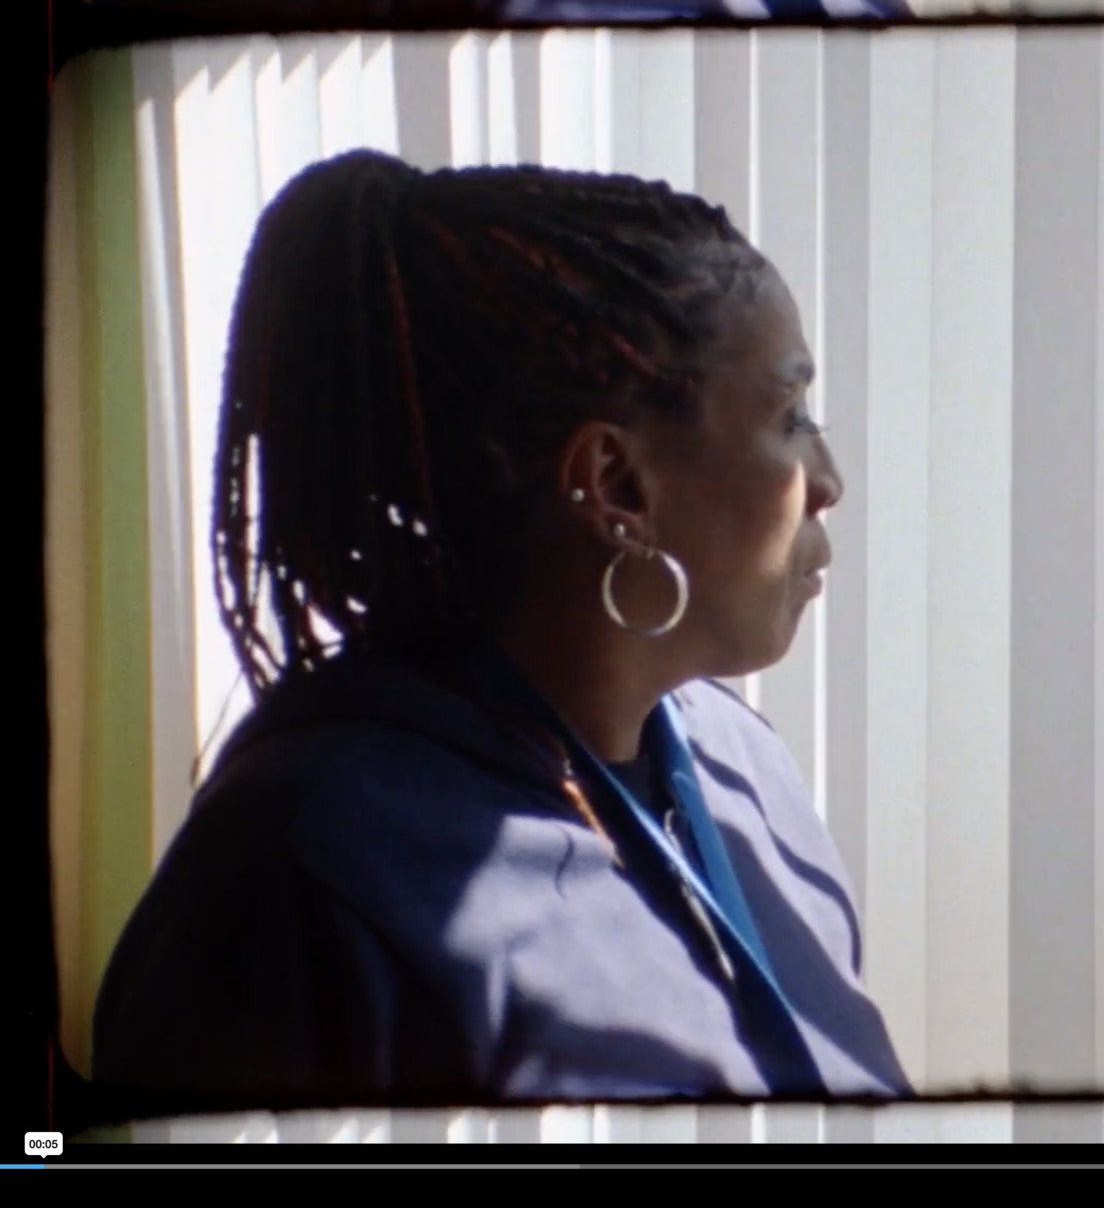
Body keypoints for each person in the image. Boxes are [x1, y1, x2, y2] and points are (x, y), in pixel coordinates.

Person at [91, 150, 909, 1110]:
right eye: (790, 415)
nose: (828, 478)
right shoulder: (299, 882)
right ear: (616, 486)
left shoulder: (744, 770)